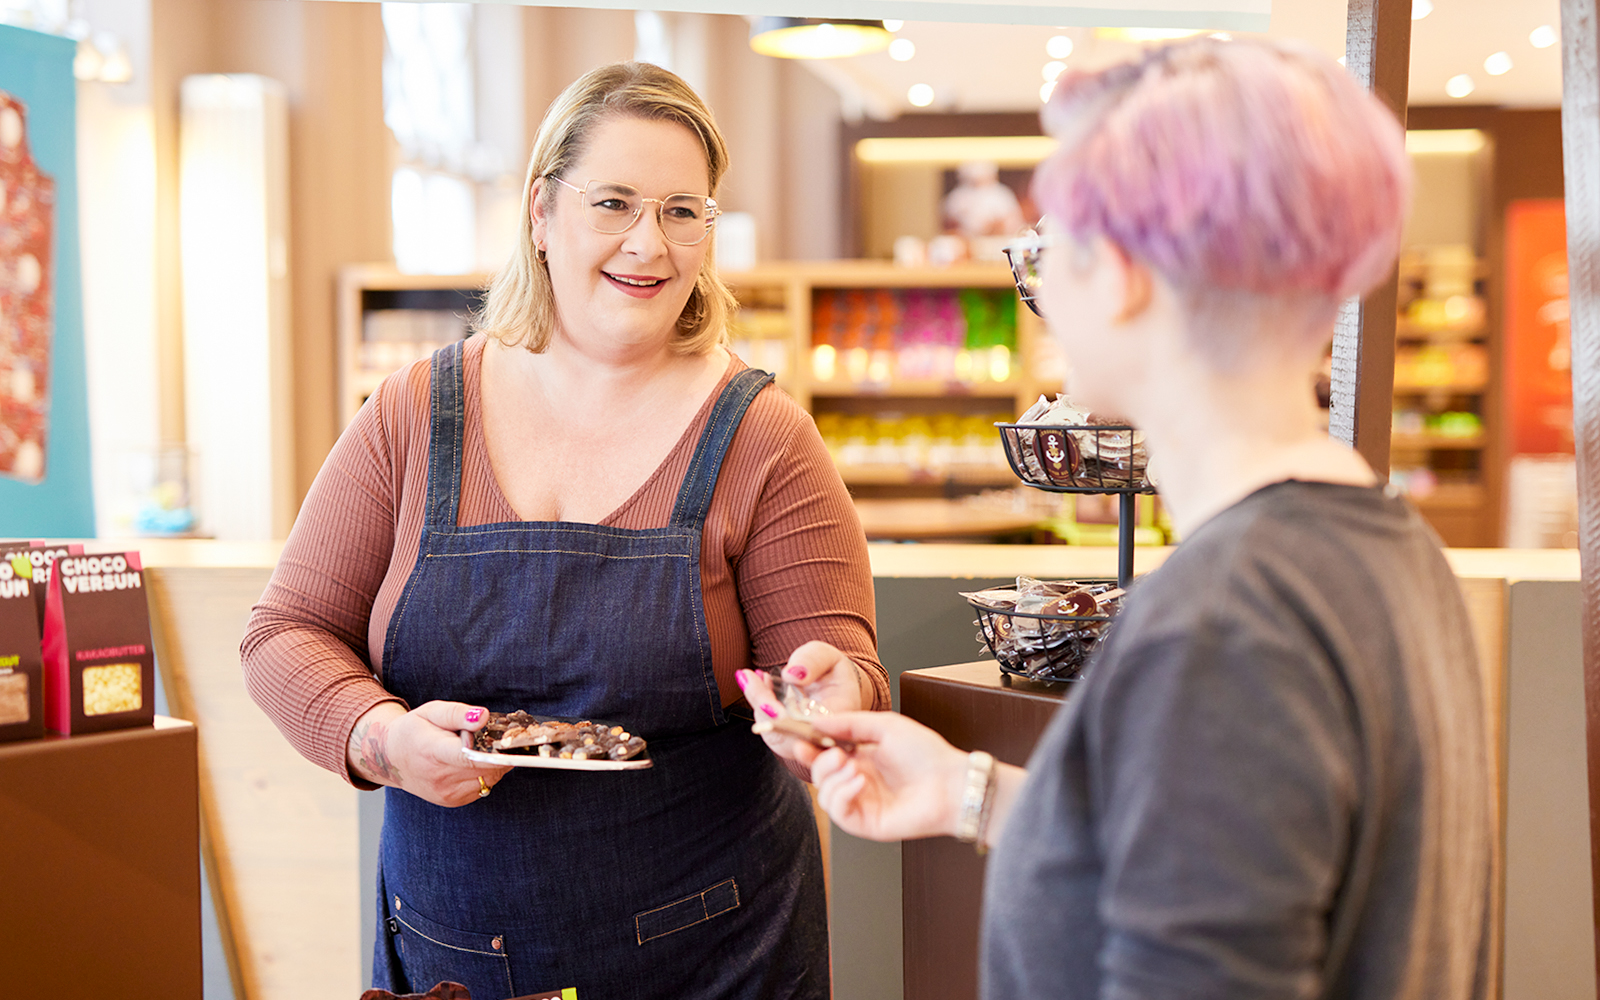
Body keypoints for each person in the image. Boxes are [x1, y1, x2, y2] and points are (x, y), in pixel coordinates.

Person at [744, 38, 1492, 999]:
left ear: (1132, 272)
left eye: (1062, 243)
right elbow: (1218, 844)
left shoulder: (1223, 619)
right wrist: (970, 794)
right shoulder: (1382, 547)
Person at [241, 62, 888, 1000]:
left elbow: (839, 669)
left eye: (682, 211)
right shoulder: (415, 414)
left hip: (712, 943)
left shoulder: (762, 437)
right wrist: (379, 739)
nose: (648, 243)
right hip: (456, 951)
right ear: (542, 212)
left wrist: (830, 697)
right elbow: (282, 634)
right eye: (614, 202)